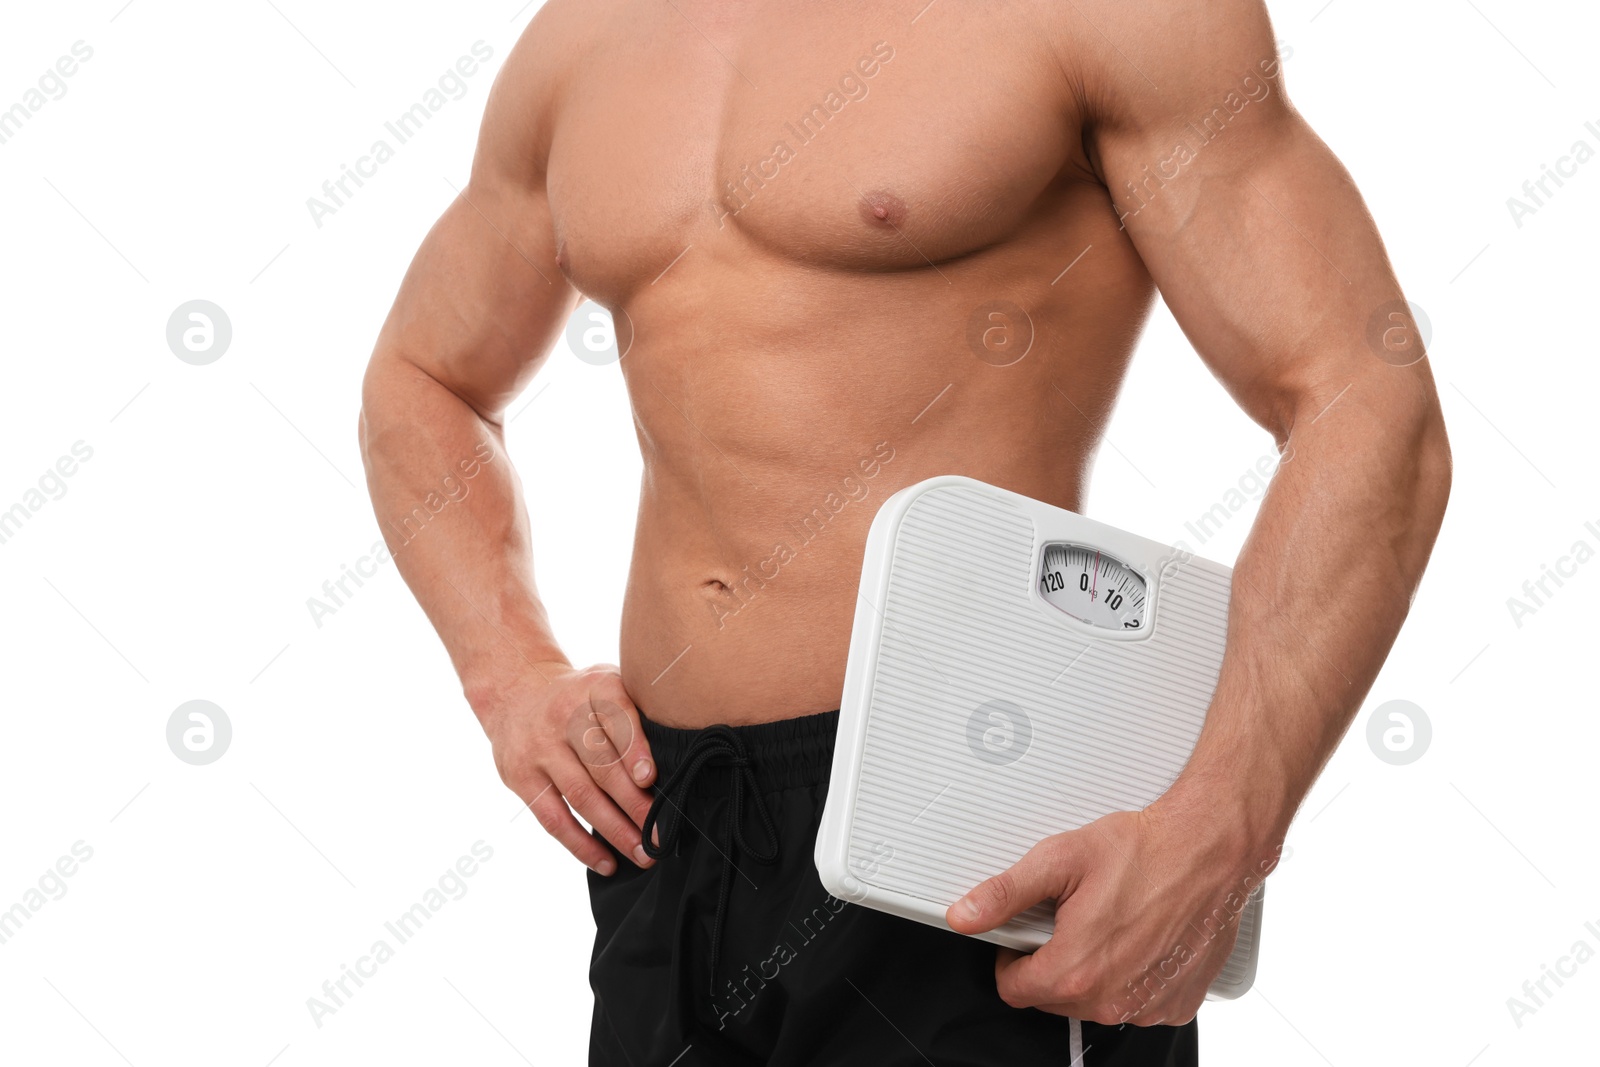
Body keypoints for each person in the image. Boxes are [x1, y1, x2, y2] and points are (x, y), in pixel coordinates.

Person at [358, 0, 1450, 1062]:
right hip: (666, 821)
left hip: (971, 816)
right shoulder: (583, 37)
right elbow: (423, 377)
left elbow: (1365, 398)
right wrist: (510, 675)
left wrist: (1223, 824)